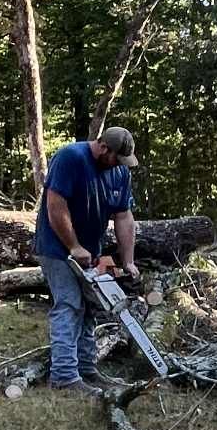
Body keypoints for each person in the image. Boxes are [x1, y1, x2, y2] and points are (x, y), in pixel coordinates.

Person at [33, 124, 140, 394]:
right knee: (69, 304)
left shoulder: (119, 171)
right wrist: (74, 246)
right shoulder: (71, 157)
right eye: (117, 158)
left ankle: (86, 369)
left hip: (92, 250)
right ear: (103, 147)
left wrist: (128, 260)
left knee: (91, 307)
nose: (120, 165)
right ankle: (65, 377)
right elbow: (55, 205)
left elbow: (124, 217)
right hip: (57, 247)